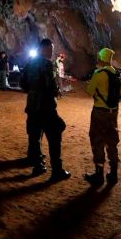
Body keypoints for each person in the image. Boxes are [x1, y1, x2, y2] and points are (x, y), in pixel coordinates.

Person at [20, 38, 71, 181]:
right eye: (50, 49)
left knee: (35, 137)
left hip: (32, 106)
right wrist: (57, 92)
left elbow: (22, 83)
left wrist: (33, 92)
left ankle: (38, 165)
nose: (51, 51)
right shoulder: (47, 65)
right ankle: (57, 170)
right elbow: (52, 88)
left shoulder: (30, 63)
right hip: (46, 107)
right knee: (55, 136)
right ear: (44, 49)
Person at [84, 48, 121, 186]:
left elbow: (89, 92)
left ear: (101, 58)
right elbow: (120, 93)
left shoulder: (98, 73)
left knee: (97, 140)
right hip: (113, 113)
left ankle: (99, 175)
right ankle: (113, 174)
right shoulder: (117, 74)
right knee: (112, 141)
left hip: (99, 112)